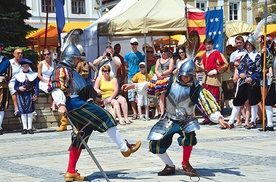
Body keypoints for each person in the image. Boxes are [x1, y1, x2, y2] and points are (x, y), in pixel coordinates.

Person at [48, 43, 141, 181]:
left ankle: (71, 171)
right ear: (71, 57)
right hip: (75, 104)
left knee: (81, 135)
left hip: (76, 103)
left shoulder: (69, 70)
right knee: (106, 116)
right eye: (77, 58)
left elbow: (80, 89)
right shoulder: (61, 70)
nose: (79, 61)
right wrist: (61, 104)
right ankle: (124, 148)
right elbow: (56, 87)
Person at [122, 60, 230, 177]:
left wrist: (219, 118)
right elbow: (153, 85)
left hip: (186, 119)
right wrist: (133, 86)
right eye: (183, 76)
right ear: (180, 73)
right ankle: (169, 166)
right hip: (169, 118)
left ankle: (186, 163)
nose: (185, 78)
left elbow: (207, 102)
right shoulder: (169, 82)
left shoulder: (196, 88)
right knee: (155, 143)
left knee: (189, 138)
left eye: (188, 77)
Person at [225, 36, 262, 129]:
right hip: (243, 81)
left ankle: (253, 121)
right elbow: (240, 67)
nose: (248, 46)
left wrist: (252, 78)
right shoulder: (244, 56)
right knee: (237, 101)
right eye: (247, 45)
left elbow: (259, 71)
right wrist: (241, 74)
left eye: (250, 45)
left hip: (253, 82)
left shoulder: (258, 56)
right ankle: (231, 121)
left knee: (253, 101)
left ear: (253, 45)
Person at [196, 38, 228, 124]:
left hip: (214, 79)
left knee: (214, 98)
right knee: (205, 99)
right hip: (205, 79)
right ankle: (207, 118)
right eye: (206, 44)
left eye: (210, 44)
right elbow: (203, 66)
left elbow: (225, 64)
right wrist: (199, 66)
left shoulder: (217, 53)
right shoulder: (204, 55)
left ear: (212, 45)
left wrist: (216, 71)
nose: (208, 46)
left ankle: (215, 118)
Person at [14, 58, 39, 134]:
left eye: (26, 66)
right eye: (23, 66)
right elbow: (15, 86)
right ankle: (24, 127)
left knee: (30, 111)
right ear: (21, 67)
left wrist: (36, 94)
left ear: (29, 66)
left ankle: (30, 128)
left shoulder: (33, 75)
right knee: (23, 111)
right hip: (21, 95)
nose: (25, 67)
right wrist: (19, 88)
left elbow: (37, 86)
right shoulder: (18, 76)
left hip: (30, 94)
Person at [148, 47, 174, 117]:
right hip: (159, 78)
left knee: (168, 96)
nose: (163, 53)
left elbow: (170, 70)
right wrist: (158, 74)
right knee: (160, 96)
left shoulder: (170, 60)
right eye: (162, 52)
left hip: (167, 78)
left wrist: (162, 74)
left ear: (168, 52)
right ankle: (162, 113)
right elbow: (156, 69)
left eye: (165, 51)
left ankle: (169, 112)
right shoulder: (158, 60)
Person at [124, 37, 145, 120]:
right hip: (131, 76)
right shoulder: (127, 55)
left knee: (139, 94)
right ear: (130, 44)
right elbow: (125, 66)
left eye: (135, 44)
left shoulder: (141, 55)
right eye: (133, 44)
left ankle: (140, 112)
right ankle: (134, 113)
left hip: (139, 76)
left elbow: (143, 65)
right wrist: (129, 71)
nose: (134, 45)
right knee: (131, 95)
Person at [262, 38, 276, 131]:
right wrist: (263, 54)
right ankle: (270, 124)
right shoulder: (272, 56)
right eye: (274, 45)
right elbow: (264, 64)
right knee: (268, 102)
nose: (275, 47)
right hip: (274, 82)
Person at [0, 43, 12, 135]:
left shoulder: (6, 61)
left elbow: (9, 74)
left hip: (2, 86)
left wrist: (3, 78)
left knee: (1, 106)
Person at [9, 48, 24, 117]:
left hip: (23, 82)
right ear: (14, 54)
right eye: (18, 53)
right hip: (12, 81)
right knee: (14, 89)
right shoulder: (9, 63)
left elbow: (30, 72)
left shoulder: (24, 62)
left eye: (21, 53)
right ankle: (16, 108)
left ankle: (31, 109)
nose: (20, 55)